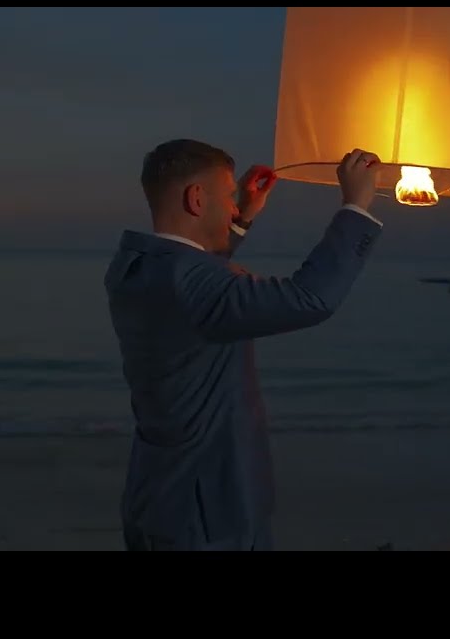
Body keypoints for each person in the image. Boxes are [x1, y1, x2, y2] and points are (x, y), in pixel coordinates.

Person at [104, 139, 384, 551]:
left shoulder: (137, 267)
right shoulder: (191, 286)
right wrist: (355, 206)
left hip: (159, 499)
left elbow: (195, 278)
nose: (233, 207)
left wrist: (242, 218)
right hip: (208, 514)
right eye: (227, 196)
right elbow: (310, 298)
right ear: (196, 199)